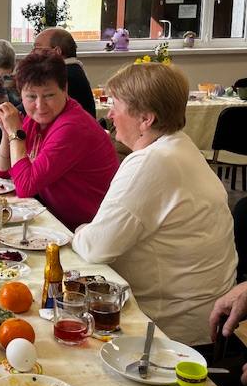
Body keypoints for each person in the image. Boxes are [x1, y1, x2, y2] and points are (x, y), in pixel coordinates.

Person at [72, 62, 237, 346]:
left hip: (172, 332)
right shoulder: (180, 146)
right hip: (205, 316)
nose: (109, 115)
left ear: (146, 118)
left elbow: (95, 247)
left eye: (116, 106)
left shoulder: (151, 162)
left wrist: (82, 230)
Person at [0, 50, 118, 231]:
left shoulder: (72, 127)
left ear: (64, 89)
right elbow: (3, 172)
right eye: (31, 96)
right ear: (21, 94)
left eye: (49, 95)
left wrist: (16, 133)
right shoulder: (36, 120)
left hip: (87, 230)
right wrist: (7, 132)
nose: (40, 105)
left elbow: (25, 187)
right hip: (58, 220)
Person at [33, 27, 96, 118]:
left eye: (37, 48)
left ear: (57, 52)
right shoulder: (72, 69)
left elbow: (35, 109)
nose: (32, 53)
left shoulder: (63, 76)